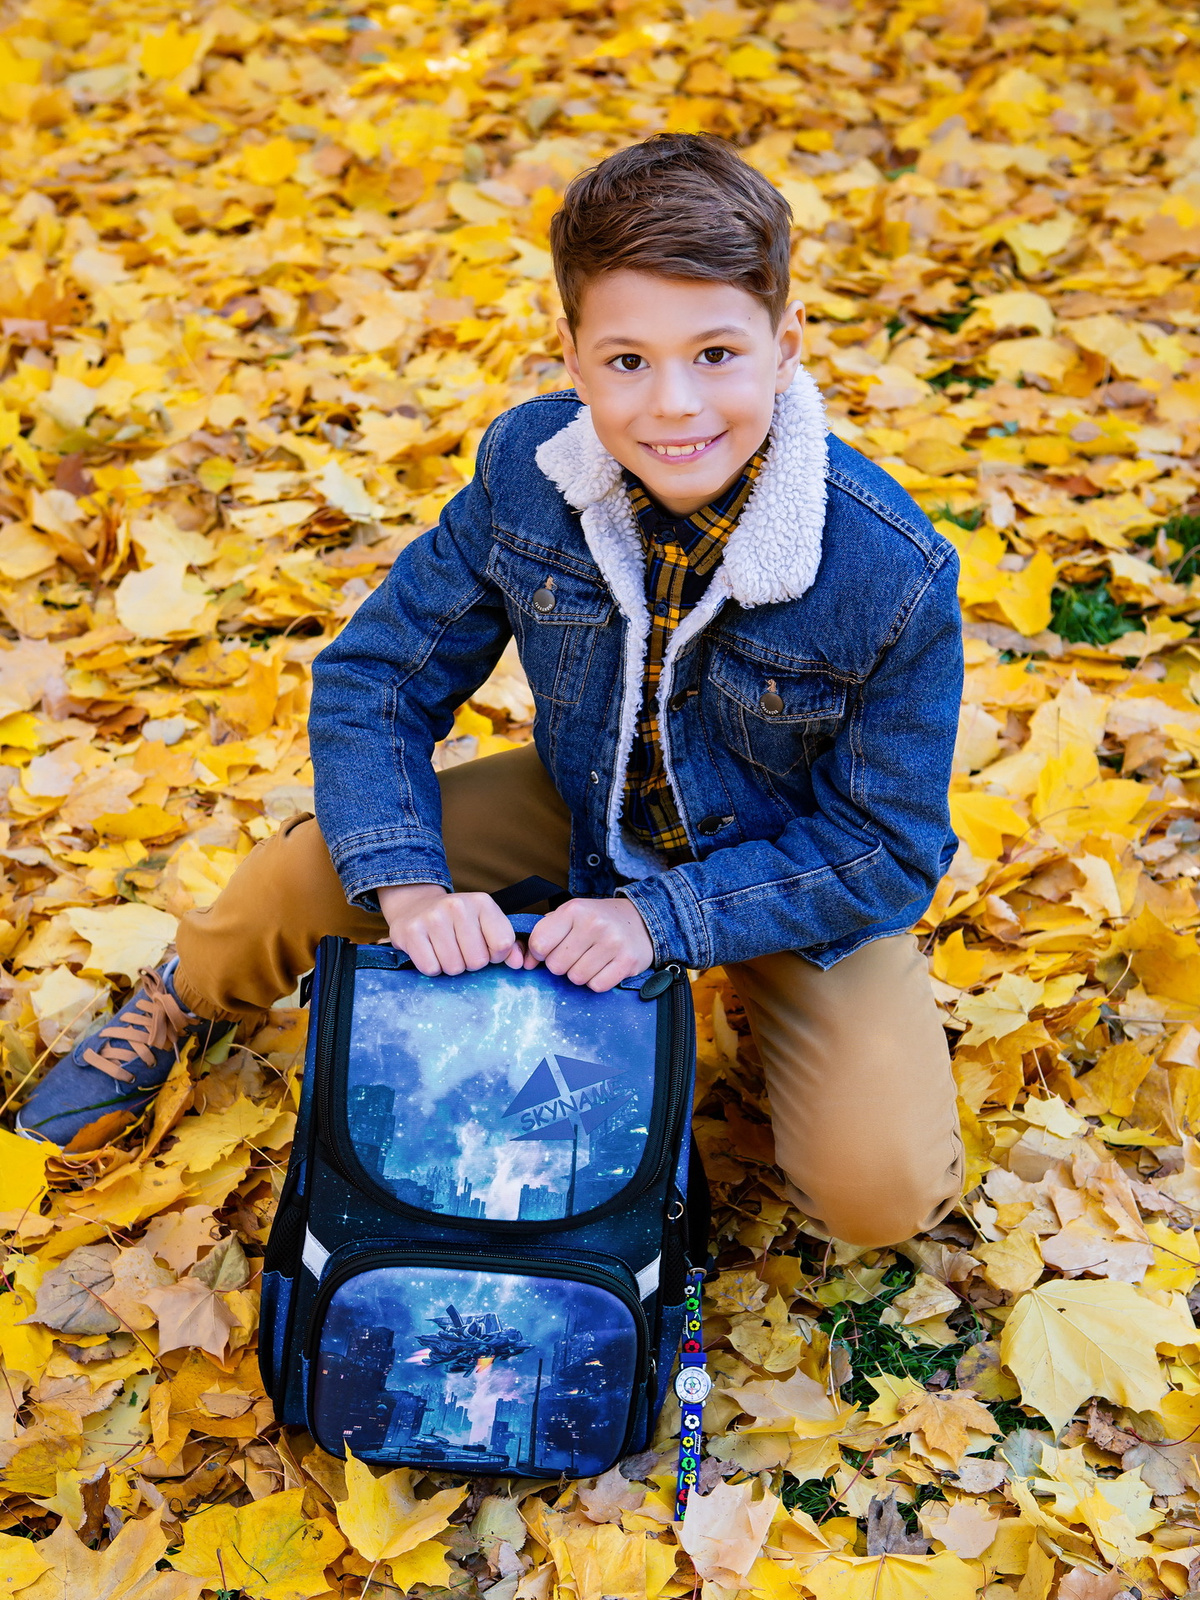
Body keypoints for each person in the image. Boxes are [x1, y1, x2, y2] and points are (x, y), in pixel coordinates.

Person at [18, 134, 963, 1249]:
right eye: (626, 361)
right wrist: (410, 887)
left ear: (785, 342)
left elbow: (890, 847)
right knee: (306, 873)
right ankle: (186, 992)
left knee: (882, 1192)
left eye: (715, 354)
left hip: (782, 868)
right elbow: (375, 681)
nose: (672, 405)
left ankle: (765, 1020)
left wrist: (666, 919)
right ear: (569, 353)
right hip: (587, 806)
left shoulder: (886, 569)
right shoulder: (528, 475)